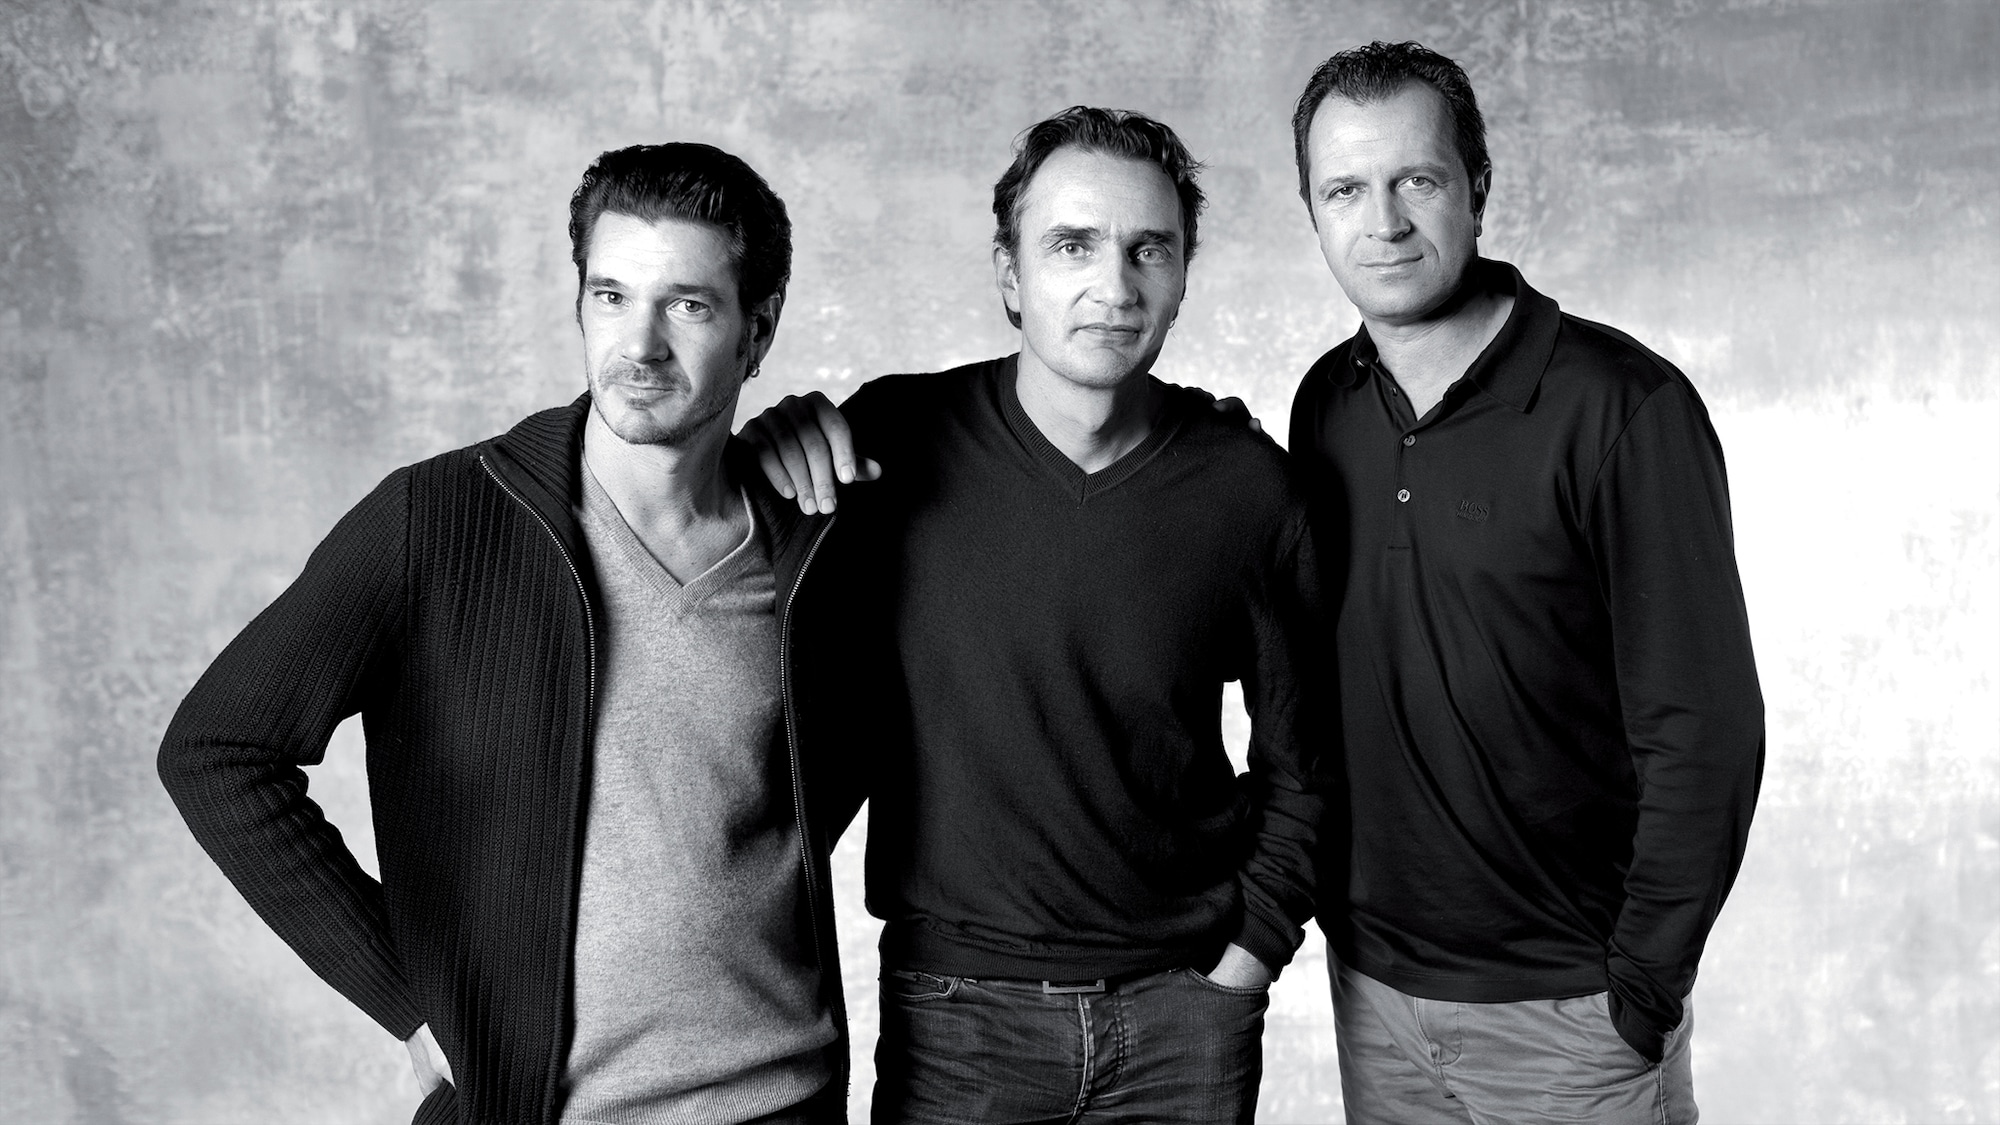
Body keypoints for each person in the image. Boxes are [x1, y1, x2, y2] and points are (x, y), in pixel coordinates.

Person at [157, 144, 864, 1125]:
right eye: (610, 297)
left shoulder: (813, 543)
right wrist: (402, 996)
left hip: (783, 1102)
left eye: (688, 306)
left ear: (760, 329)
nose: (641, 345)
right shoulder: (441, 519)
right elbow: (216, 748)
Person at [744, 107, 1332, 1124]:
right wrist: (758, 451)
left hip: (1183, 1021)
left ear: (1182, 277)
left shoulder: (1250, 490)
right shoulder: (887, 444)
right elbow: (730, 611)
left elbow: (1311, 762)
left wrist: (1245, 960)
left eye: (1149, 249)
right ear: (1010, 276)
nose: (1115, 285)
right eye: (1071, 245)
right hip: (958, 1023)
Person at [1285, 41, 1764, 1123]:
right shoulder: (1325, 403)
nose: (1383, 222)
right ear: (1311, 210)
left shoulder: (1620, 406)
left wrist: (1640, 986)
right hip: (1375, 996)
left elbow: (1705, 727)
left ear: (1478, 186)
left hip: (1572, 1013)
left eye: (1416, 180)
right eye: (1345, 190)